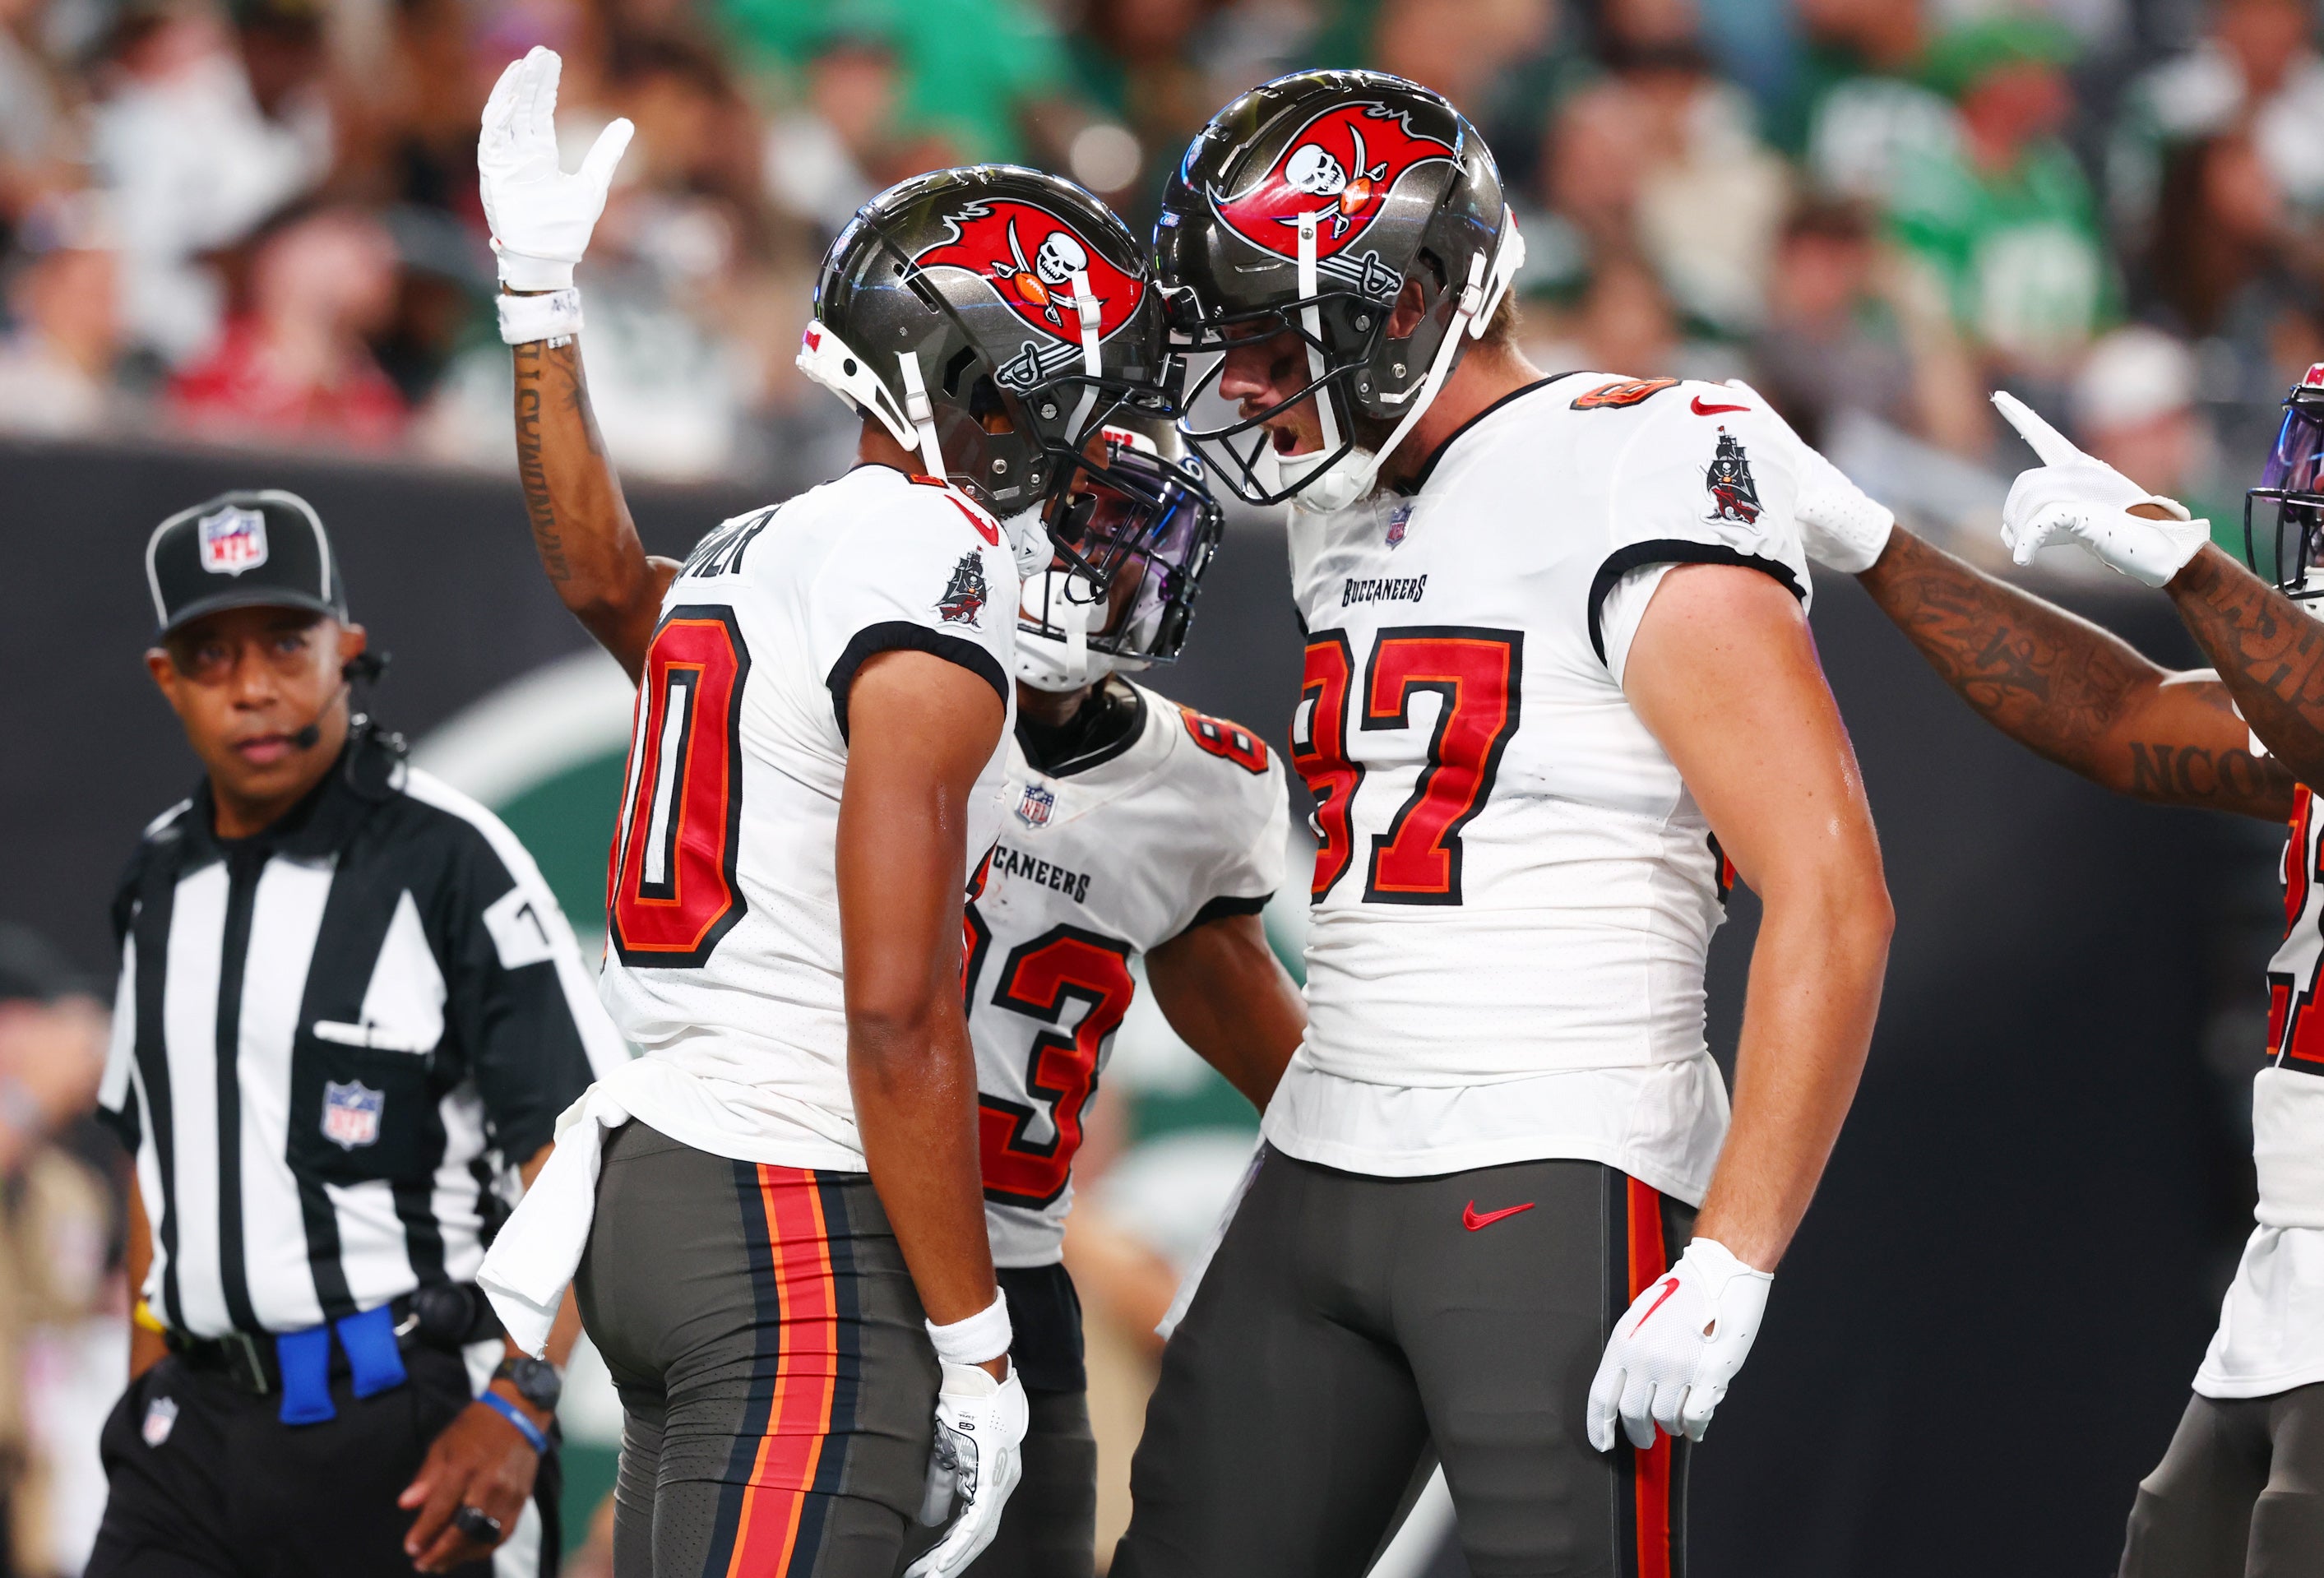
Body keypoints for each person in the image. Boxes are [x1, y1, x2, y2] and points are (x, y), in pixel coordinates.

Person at [1114, 69, 1895, 1576]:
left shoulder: (1636, 456)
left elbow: (1832, 893)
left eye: (1278, 330)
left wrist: (1733, 1252)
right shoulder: (1342, 496)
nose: (1248, 378)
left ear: (1409, 302)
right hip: (1327, 1151)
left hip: (1554, 1157)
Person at [465, 47, 1201, 1578]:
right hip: (793, 1205)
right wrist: (979, 1345)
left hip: (663, 1191)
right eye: (1078, 388)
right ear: (993, 382)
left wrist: (539, 308)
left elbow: (610, 581)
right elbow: (895, 1011)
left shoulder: (774, 538)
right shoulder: (925, 562)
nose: (1098, 441)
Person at [1781, 363, 2324, 1577]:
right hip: (2293, 1252)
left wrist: (2189, 568)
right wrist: (1878, 546)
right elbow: (2119, 720)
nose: (2308, 505)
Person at [89, 486, 626, 1578]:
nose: (254, 687)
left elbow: (586, 1161)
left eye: (286, 643)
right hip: (190, 1441)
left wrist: (522, 1401)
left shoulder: (451, 862)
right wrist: (147, 1383)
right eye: (212, 656)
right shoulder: (155, 876)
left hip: (411, 1427)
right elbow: (159, 1161)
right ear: (167, 681)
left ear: (347, 647)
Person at [956, 419, 1308, 1576]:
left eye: (1127, 532)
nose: (1093, 560)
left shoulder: (1201, 789)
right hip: (821, 1230)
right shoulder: (876, 685)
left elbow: (1312, 1090)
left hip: (1017, 1267)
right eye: (1072, 517)